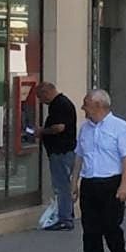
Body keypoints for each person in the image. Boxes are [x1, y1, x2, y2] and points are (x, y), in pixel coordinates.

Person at [72, 89, 126, 252]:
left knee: (111, 227)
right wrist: (74, 181)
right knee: (90, 231)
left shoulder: (120, 127)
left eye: (86, 104)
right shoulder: (85, 129)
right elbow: (79, 156)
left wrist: (125, 184)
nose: (83, 108)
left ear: (98, 106)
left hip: (111, 183)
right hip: (90, 183)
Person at [36, 82, 77, 230]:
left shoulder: (59, 104)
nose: (41, 101)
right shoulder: (62, 103)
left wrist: (42, 131)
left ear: (46, 93)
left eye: (40, 97)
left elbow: (59, 127)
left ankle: (65, 219)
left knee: (62, 186)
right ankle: (67, 215)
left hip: (61, 151)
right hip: (63, 150)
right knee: (64, 184)